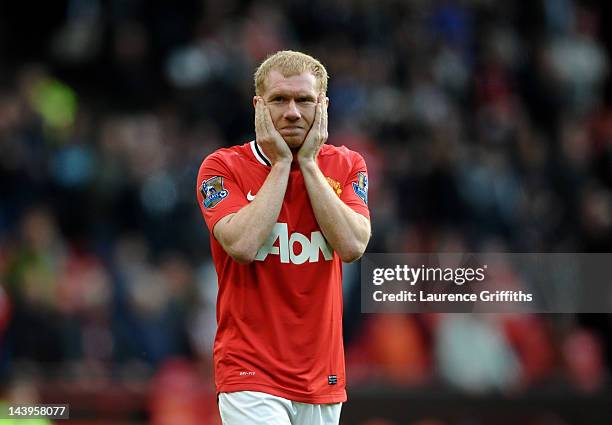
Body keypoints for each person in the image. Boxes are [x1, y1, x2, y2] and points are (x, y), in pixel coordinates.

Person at [196, 50, 371, 425]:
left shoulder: (348, 165)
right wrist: (281, 164)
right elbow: (242, 246)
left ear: (322, 106)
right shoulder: (221, 168)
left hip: (322, 376)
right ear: (258, 106)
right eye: (278, 100)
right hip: (249, 373)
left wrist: (307, 163)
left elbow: (354, 245)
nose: (292, 112)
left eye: (304, 100)